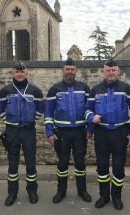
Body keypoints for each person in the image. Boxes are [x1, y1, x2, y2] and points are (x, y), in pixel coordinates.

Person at [85, 59, 130, 210]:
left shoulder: (127, 89)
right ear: (104, 71)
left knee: (118, 167)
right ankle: (104, 196)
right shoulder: (95, 90)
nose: (110, 73)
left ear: (118, 71)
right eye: (108, 70)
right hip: (101, 133)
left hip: (120, 132)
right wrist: (91, 118)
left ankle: (116, 197)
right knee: (102, 167)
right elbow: (87, 109)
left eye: (113, 70)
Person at [0, 61, 44, 206]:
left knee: (30, 162)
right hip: (12, 131)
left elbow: (41, 108)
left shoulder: (34, 90)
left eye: (22, 71)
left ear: (26, 72)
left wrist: (33, 121)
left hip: (29, 130)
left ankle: (32, 191)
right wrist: (9, 121)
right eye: (17, 71)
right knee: (13, 163)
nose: (20, 74)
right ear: (13, 73)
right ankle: (12, 193)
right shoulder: (6, 90)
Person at [45, 58, 92, 204]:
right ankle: (61, 191)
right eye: (67, 69)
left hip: (80, 132)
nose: (70, 72)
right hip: (61, 133)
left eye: (72, 69)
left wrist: (90, 129)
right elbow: (48, 112)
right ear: (63, 70)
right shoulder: (55, 89)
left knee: (80, 163)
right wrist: (49, 132)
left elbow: (90, 109)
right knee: (62, 163)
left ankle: (82, 190)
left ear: (76, 71)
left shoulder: (84, 88)